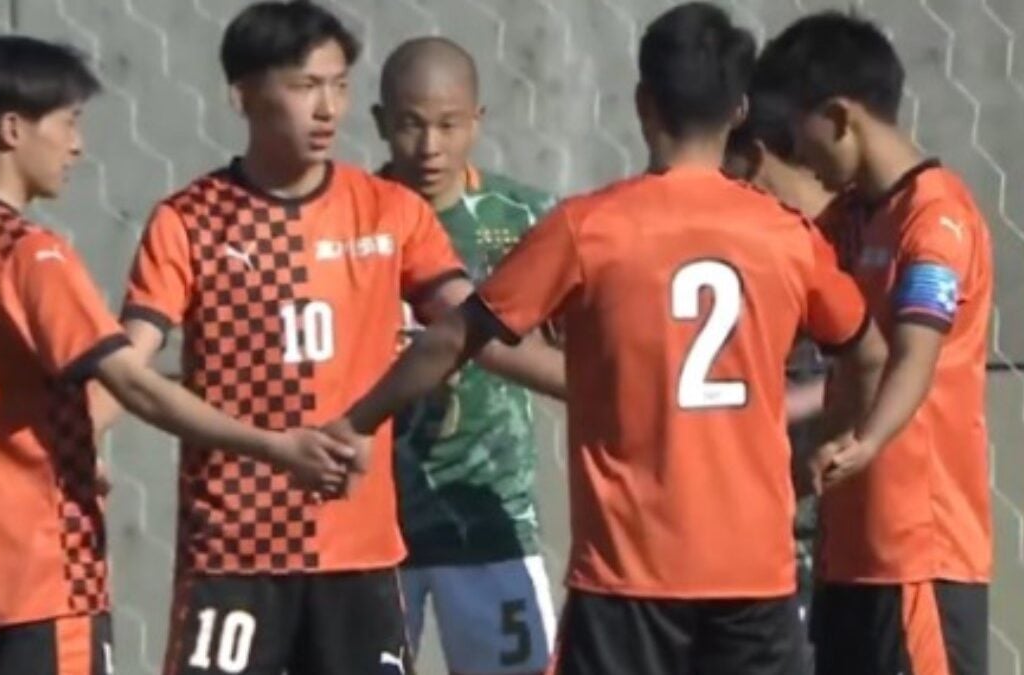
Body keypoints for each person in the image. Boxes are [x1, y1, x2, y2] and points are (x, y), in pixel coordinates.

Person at [326, 3, 935, 673]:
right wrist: (836, 445)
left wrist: (358, 419)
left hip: (627, 576)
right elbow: (870, 351)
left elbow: (455, 338)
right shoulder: (786, 236)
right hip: (754, 575)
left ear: (644, 103)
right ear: (739, 110)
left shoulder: (589, 227)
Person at [110, 3, 562, 674]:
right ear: (244, 95)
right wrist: (263, 446)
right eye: (302, 86)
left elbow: (473, 329)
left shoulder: (391, 211)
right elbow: (125, 368)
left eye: (338, 84)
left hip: (359, 553)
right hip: (236, 552)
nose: (326, 107)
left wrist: (619, 389)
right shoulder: (189, 221)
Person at [0, 35, 353, 675]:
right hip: (45, 581)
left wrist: (66, 449)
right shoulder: (25, 252)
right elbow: (132, 385)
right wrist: (276, 447)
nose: (78, 146)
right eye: (69, 123)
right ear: (10, 129)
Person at [759, 12, 994, 675]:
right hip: (847, 552)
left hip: (917, 553)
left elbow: (914, 351)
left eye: (797, 133)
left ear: (839, 116)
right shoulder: (849, 221)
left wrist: (867, 441)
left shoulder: (937, 217)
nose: (798, 157)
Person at [373, 36, 557, 675]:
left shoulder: (527, 220)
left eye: (449, 125)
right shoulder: (349, 219)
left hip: (490, 519)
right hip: (371, 528)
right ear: (378, 123)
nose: (430, 147)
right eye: (410, 125)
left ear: (477, 121)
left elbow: (578, 348)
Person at [723, 87, 838, 673]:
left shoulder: (842, 237)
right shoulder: (752, 240)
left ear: (755, 157)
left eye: (725, 169)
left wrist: (769, 404)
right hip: (757, 519)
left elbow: (892, 360)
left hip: (840, 515)